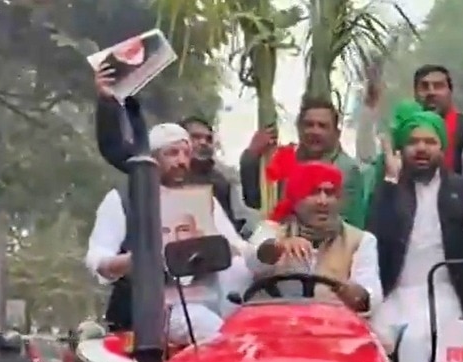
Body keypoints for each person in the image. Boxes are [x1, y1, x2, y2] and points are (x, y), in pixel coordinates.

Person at [364, 100, 463, 362]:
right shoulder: (389, 190)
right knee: (371, 343)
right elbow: (374, 239)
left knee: (417, 340)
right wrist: (389, 182)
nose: (421, 148)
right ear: (402, 148)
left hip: (443, 293)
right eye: (413, 141)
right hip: (396, 295)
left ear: (442, 148)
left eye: (430, 142)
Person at [86, 122, 250, 343]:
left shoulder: (203, 200)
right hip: (155, 309)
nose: (182, 161)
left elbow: (238, 248)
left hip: (208, 298)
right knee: (212, 331)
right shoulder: (123, 200)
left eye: (186, 154)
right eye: (172, 153)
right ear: (153, 159)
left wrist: (223, 249)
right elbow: (98, 259)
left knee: (242, 270)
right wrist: (139, 259)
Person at [91, 64, 250, 232]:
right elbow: (113, 147)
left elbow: (234, 232)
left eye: (208, 139)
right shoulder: (148, 173)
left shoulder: (220, 184)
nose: (203, 143)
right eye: (195, 137)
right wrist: (107, 101)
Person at [246, 160, 383, 314]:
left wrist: (357, 294)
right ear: (296, 199)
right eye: (313, 192)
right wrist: (279, 246)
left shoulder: (360, 240)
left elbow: (371, 296)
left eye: (330, 193)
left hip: (333, 328)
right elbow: (253, 259)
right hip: (276, 326)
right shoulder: (271, 230)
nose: (323, 201)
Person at [240, 99, 366, 228]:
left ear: (337, 133)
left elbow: (347, 225)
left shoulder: (346, 170)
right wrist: (252, 155)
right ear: (299, 128)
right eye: (309, 125)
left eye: (322, 126)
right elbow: (254, 200)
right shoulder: (284, 161)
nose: (314, 131)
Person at [356, 65, 463, 175]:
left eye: (438, 86)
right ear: (415, 93)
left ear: (450, 91)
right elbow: (367, 159)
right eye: (425, 87)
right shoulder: (402, 132)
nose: (431, 92)